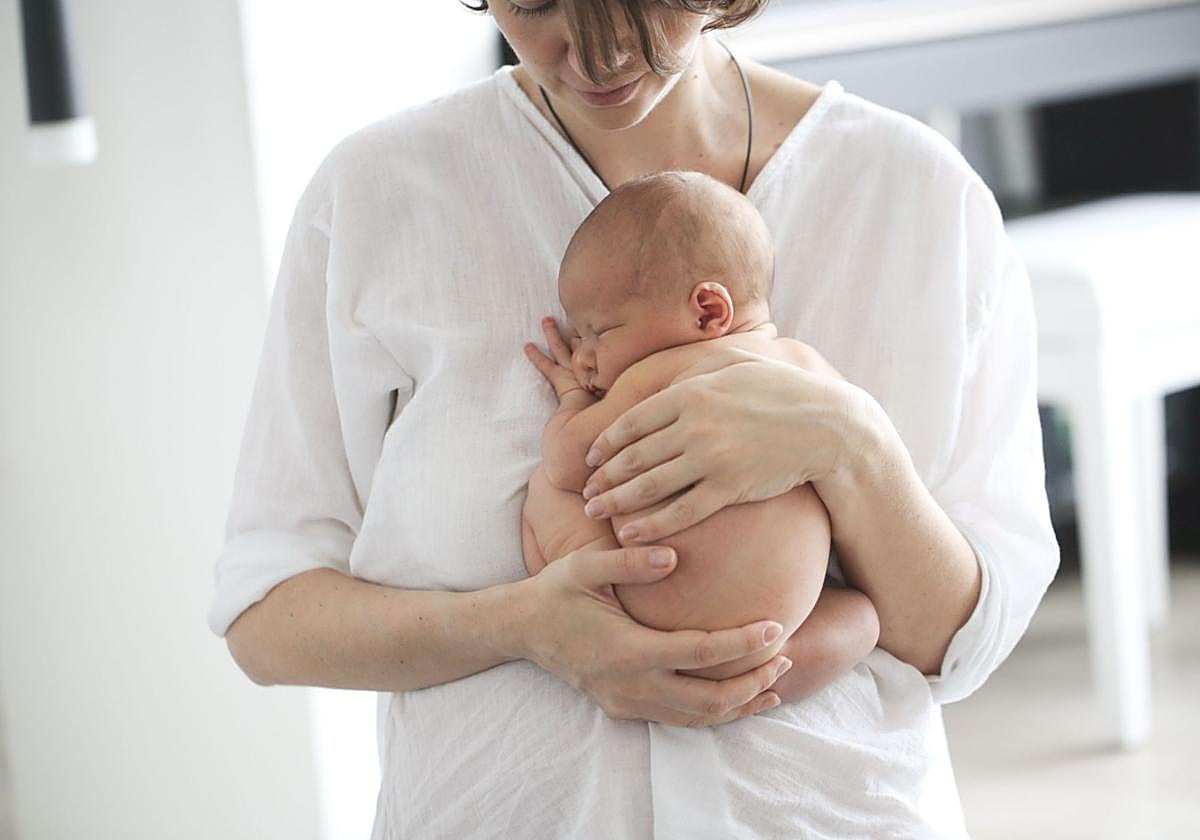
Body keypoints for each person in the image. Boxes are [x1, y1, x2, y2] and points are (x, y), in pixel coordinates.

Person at [207, 1, 1060, 836]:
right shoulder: (377, 196)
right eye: (538, 1)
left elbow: (962, 644)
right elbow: (268, 619)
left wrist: (852, 448)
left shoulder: (911, 191)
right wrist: (523, 629)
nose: (599, 54)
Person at [522, 170, 880, 682]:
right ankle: (758, 681)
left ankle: (572, 588)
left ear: (708, 312)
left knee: (545, 488)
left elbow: (566, 462)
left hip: (641, 616)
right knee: (863, 621)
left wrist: (573, 399)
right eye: (578, 338)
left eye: (600, 331)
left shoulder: (656, 373)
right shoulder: (809, 368)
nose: (582, 357)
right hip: (769, 636)